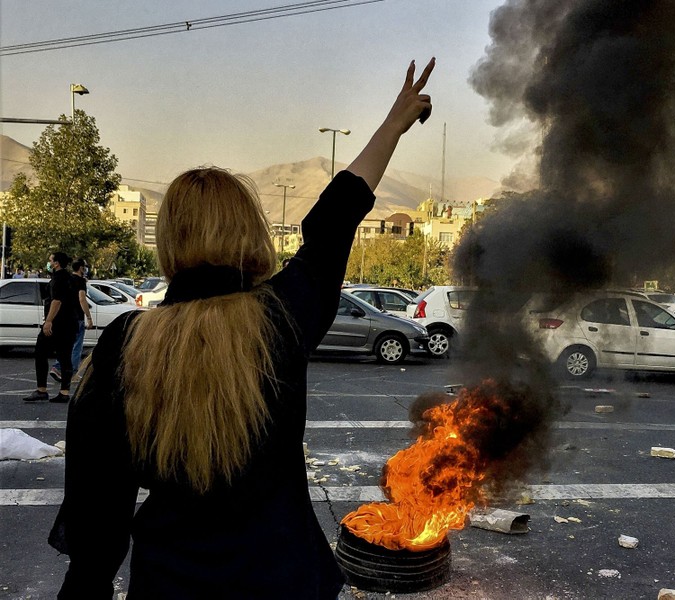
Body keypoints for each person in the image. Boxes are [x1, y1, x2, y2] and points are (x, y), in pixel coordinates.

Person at [49, 58, 435, 599]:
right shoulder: (281, 317)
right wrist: (393, 125)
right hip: (286, 581)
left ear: (169, 241)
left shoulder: (125, 345)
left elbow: (97, 520)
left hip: (171, 586)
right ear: (250, 231)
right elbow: (334, 221)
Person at [23, 252, 79, 403]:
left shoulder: (58, 279)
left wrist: (48, 321)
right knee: (65, 357)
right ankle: (64, 392)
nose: (48, 263)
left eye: (50, 261)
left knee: (40, 352)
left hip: (57, 325)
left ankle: (42, 390)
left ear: (56, 263)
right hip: (70, 324)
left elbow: (57, 301)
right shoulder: (70, 278)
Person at [50, 259, 93, 383]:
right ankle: (72, 373)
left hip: (65, 316)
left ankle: (57, 367)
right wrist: (88, 317)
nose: (85, 269)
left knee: (66, 345)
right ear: (80, 268)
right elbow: (82, 299)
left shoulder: (68, 279)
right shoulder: (80, 281)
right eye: (84, 267)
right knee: (76, 346)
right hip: (77, 317)